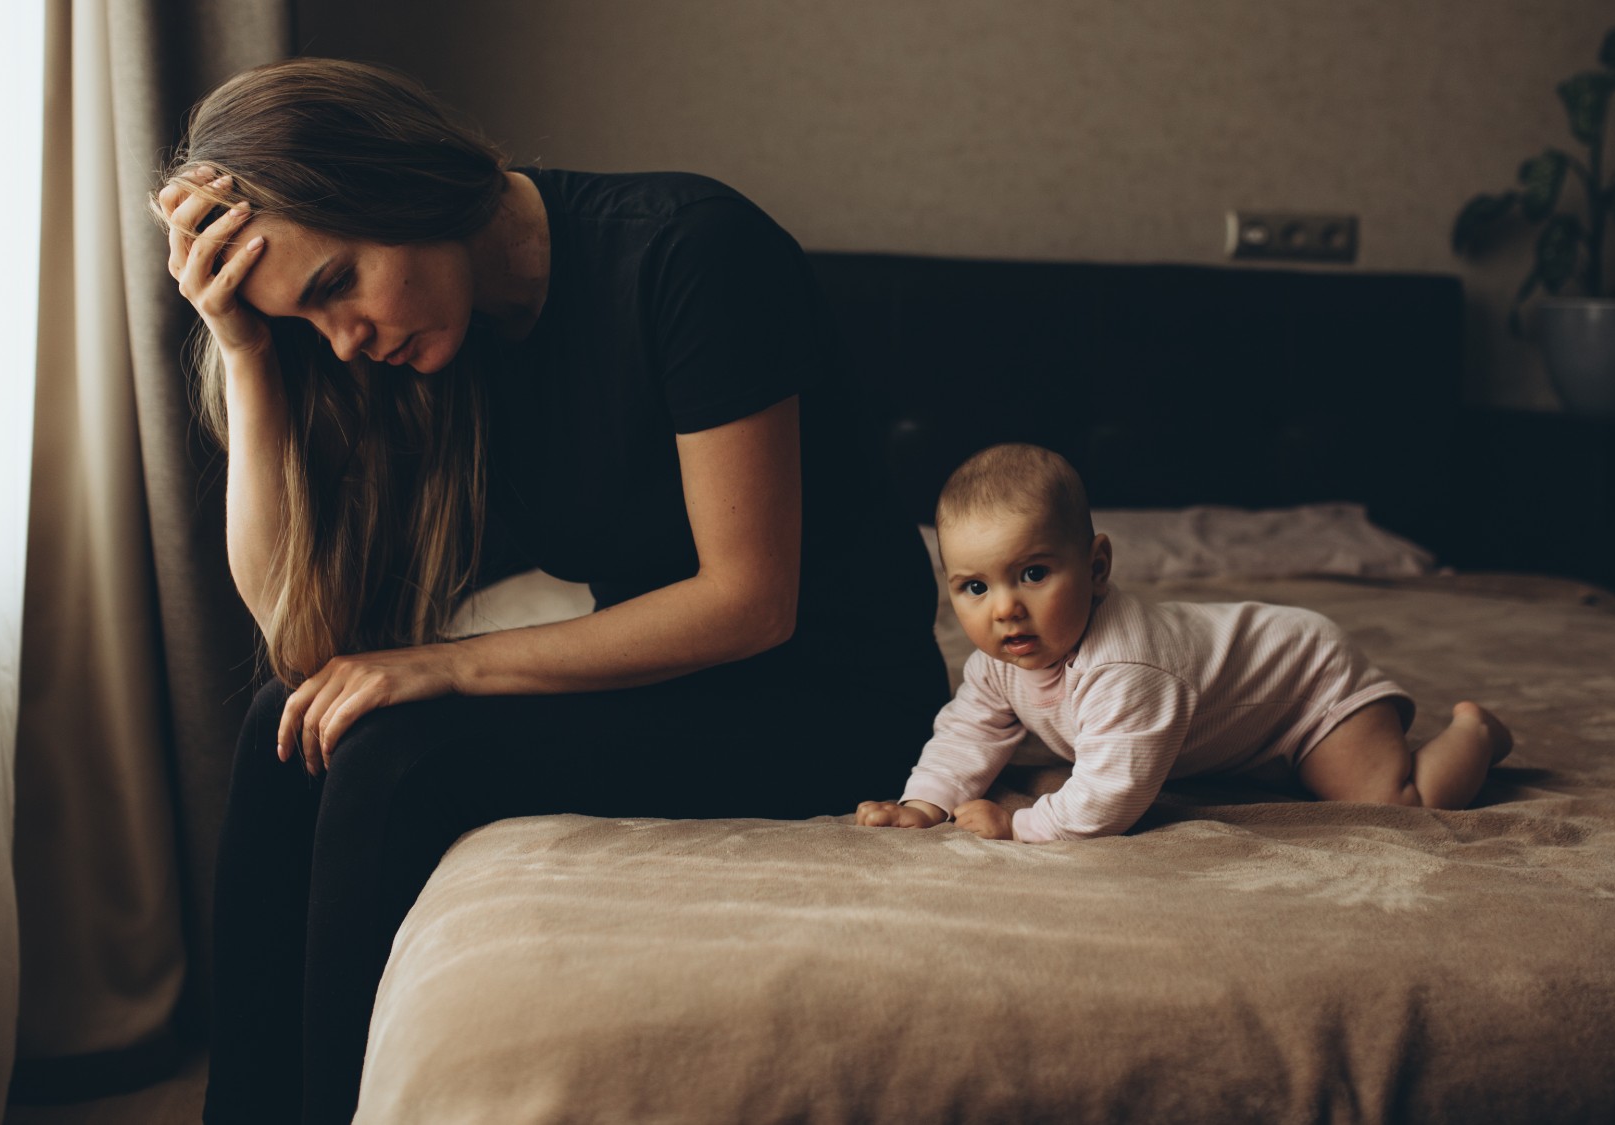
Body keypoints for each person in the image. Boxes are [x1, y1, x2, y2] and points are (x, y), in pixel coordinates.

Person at [152, 58, 947, 1124]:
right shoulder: (435, 346)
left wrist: (445, 667)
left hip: (831, 705)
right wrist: (245, 352)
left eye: (335, 283)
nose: (344, 339)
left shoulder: (690, 252)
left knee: (396, 751)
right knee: (283, 725)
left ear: (398, 184)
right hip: (667, 693)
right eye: (308, 320)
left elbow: (750, 600)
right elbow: (302, 639)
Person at [855, 443, 1511, 842]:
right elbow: (967, 734)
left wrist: (1019, 825)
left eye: (1033, 573)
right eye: (974, 586)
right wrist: (924, 802)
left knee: (1390, 805)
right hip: (1226, 716)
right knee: (1035, 767)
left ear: (1097, 566)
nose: (1004, 609)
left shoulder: (1124, 667)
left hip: (1303, 687)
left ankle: (1474, 732)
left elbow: (1111, 800)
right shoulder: (999, 661)